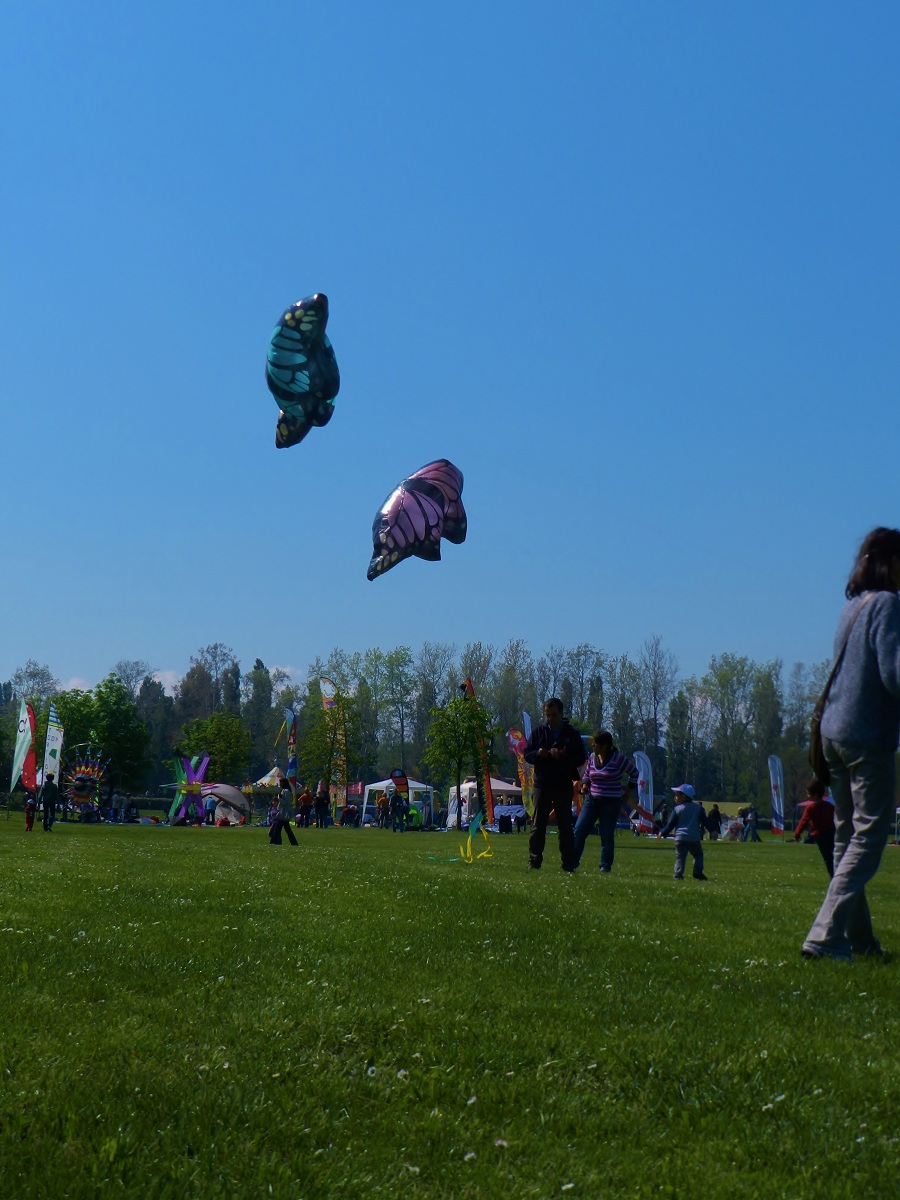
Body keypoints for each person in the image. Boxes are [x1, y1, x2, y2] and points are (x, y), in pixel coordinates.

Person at [802, 527, 900, 961]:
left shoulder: (852, 607)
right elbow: (894, 675)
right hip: (866, 738)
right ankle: (825, 936)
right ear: (890, 563)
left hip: (833, 736)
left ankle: (860, 943)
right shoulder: (888, 605)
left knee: (846, 837)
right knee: (869, 836)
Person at [523, 698, 587, 872]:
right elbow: (527, 754)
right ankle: (534, 861)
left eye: (553, 715)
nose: (550, 718)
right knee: (538, 825)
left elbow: (581, 757)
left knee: (565, 827)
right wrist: (538, 753)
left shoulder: (571, 734)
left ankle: (568, 864)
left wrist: (562, 756)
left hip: (562, 785)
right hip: (542, 784)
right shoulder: (538, 733)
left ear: (561, 714)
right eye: (547, 715)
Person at [573, 731, 639, 873]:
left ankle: (605, 866)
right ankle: (572, 862)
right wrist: (585, 785)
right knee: (579, 830)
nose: (592, 745)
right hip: (592, 800)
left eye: (595, 743)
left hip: (611, 803)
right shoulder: (592, 757)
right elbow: (586, 773)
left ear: (604, 745)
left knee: (606, 835)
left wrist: (628, 792)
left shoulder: (618, 759)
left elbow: (634, 773)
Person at [658, 784, 710, 880]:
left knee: (680, 858)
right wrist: (713, 830)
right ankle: (697, 870)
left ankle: (678, 875)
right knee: (698, 855)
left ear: (684, 797)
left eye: (677, 795)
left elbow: (670, 825)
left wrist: (662, 832)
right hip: (693, 837)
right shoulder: (698, 808)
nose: (675, 797)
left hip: (680, 838)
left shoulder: (677, 809)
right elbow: (705, 821)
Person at [794, 778, 836, 878]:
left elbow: (803, 821)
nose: (807, 796)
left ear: (815, 794)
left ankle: (832, 875)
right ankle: (839, 873)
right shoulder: (829, 806)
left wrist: (797, 833)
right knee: (836, 853)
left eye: (808, 794)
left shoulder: (810, 808)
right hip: (831, 833)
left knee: (827, 857)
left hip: (820, 835)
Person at [269, 781, 299, 846]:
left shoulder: (286, 791)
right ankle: (293, 843)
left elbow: (285, 802)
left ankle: (274, 842)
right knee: (280, 829)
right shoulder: (286, 791)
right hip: (283, 813)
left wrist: (279, 798)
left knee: (279, 829)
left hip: (283, 813)